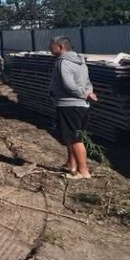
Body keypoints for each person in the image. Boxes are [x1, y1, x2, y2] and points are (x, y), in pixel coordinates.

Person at [48, 36, 96, 179]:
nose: (50, 49)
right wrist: (88, 93)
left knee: (74, 139)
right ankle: (71, 164)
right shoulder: (80, 62)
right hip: (82, 105)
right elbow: (88, 82)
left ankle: (83, 171)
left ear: (60, 47)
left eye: (52, 46)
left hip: (69, 104)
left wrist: (83, 94)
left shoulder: (63, 63)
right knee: (71, 136)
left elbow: (68, 85)